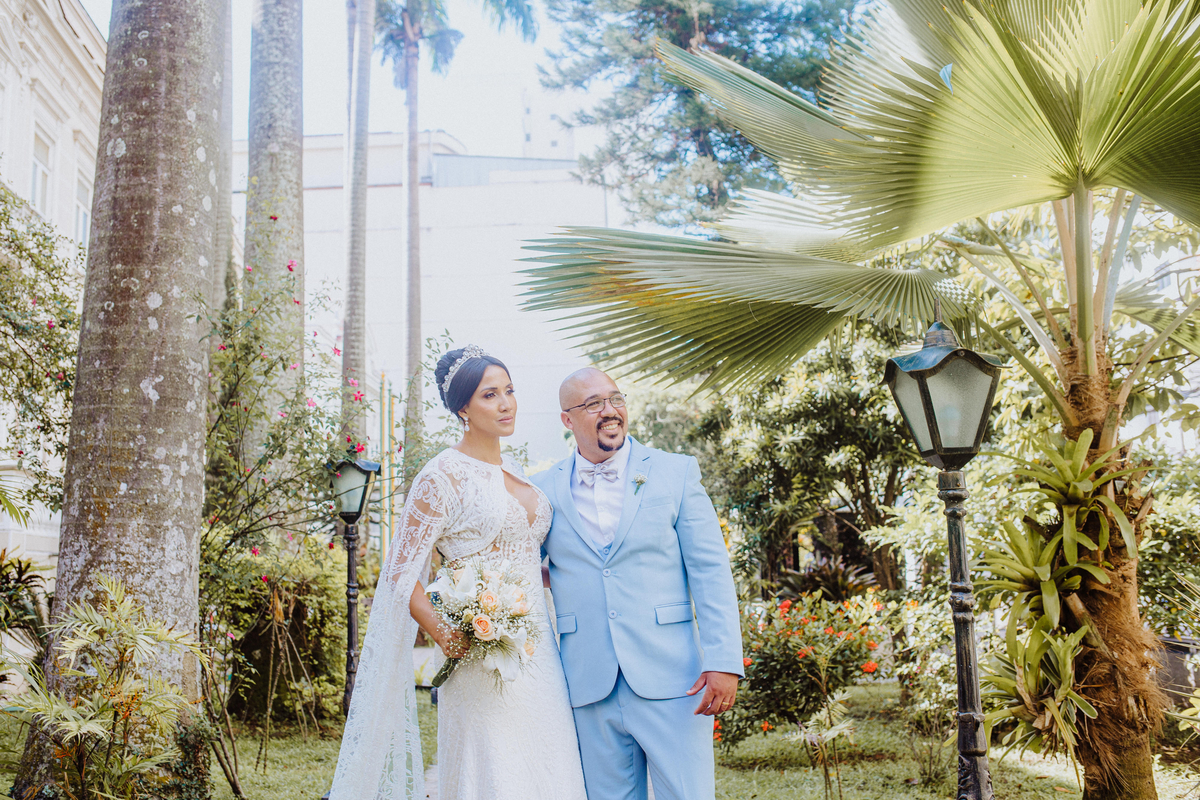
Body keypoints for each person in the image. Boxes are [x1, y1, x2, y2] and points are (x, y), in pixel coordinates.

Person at [328, 345, 587, 800]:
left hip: (539, 650)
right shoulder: (442, 475)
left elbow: (526, 557)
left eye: (509, 391)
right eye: (490, 395)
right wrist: (446, 634)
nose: (506, 403)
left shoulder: (516, 470)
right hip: (479, 656)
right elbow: (400, 572)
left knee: (549, 766)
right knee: (495, 773)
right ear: (463, 407)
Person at [533, 367, 744, 800]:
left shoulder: (675, 472)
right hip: (588, 682)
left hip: (674, 679)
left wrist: (724, 659)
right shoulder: (542, 491)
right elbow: (522, 570)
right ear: (567, 420)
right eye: (593, 404)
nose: (610, 411)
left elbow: (710, 571)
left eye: (616, 399)